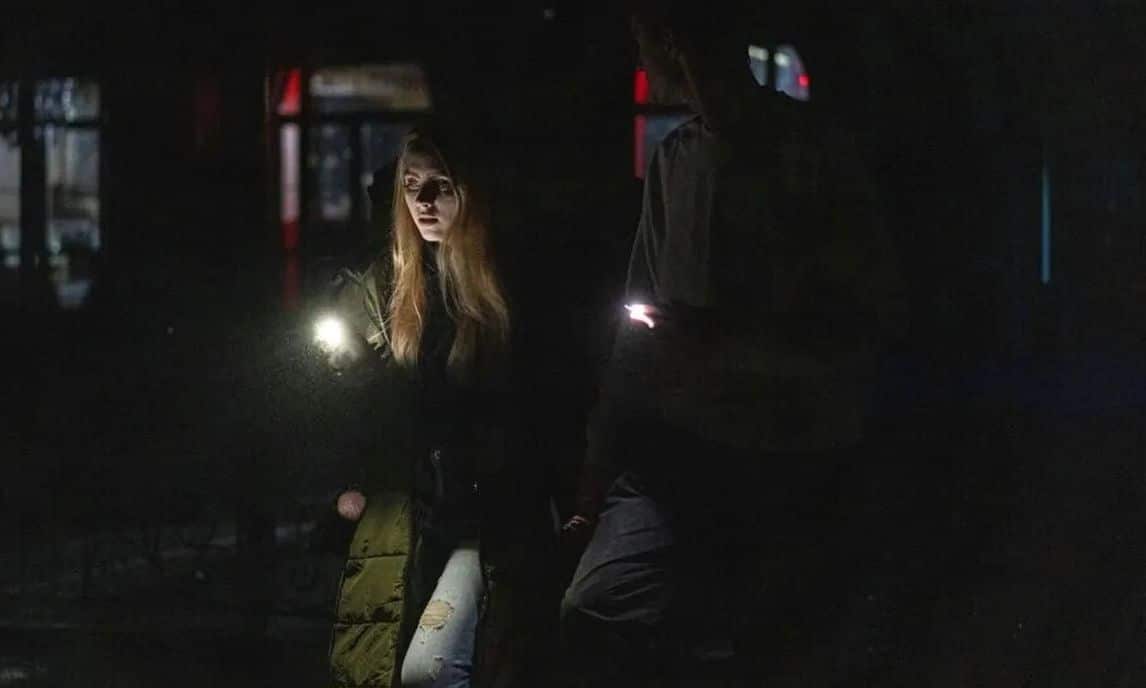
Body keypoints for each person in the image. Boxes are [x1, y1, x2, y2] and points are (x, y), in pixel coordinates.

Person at [560, 0, 905, 684]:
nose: (637, 59)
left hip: (786, 459)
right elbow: (636, 330)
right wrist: (594, 479)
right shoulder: (676, 161)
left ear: (673, 42)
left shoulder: (808, 153)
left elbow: (864, 320)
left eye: (642, 40)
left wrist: (726, 344)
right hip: (685, 454)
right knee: (595, 608)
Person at [323, 123, 555, 688]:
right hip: (417, 513)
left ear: (470, 191)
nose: (423, 201)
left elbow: (537, 408)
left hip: (489, 519)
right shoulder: (396, 284)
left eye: (441, 186)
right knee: (383, 659)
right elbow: (372, 403)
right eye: (412, 185)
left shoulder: (506, 286)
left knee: (431, 667)